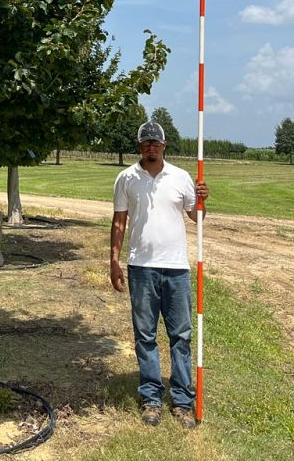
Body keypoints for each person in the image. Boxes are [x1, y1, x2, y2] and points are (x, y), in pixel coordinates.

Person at [109, 119, 209, 429]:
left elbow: (197, 218)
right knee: (145, 336)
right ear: (139, 147)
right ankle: (151, 397)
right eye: (146, 142)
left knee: (181, 335)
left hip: (176, 268)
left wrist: (203, 199)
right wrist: (114, 260)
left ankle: (181, 400)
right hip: (141, 268)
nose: (151, 146)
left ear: (164, 146)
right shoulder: (126, 178)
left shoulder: (180, 177)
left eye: (156, 142)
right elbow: (119, 222)